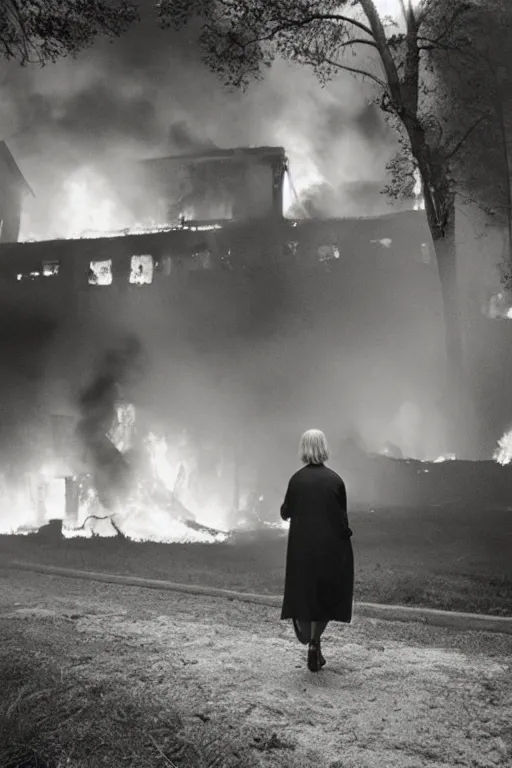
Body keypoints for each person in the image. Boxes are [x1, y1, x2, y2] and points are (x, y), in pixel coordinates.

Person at [280, 429, 354, 672]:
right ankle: (314, 643)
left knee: (303, 597)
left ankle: (308, 639)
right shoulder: (335, 481)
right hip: (328, 549)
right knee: (324, 598)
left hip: (301, 550)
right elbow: (342, 519)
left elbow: (286, 512)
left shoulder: (296, 480)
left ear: (303, 449)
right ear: (324, 448)